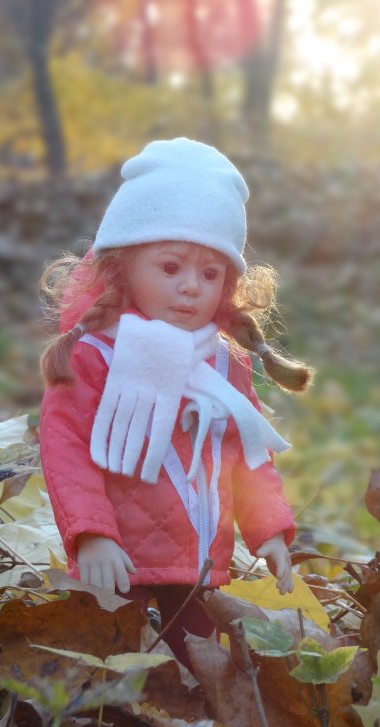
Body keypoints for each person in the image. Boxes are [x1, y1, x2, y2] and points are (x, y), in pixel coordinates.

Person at [38, 138, 311, 664]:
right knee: (116, 666)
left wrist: (270, 528)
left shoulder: (224, 361)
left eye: (210, 274)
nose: (191, 287)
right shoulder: (96, 356)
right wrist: (91, 533)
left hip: (200, 560)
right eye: (170, 268)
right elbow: (65, 449)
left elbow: (245, 456)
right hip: (119, 559)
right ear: (123, 269)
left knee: (200, 665)